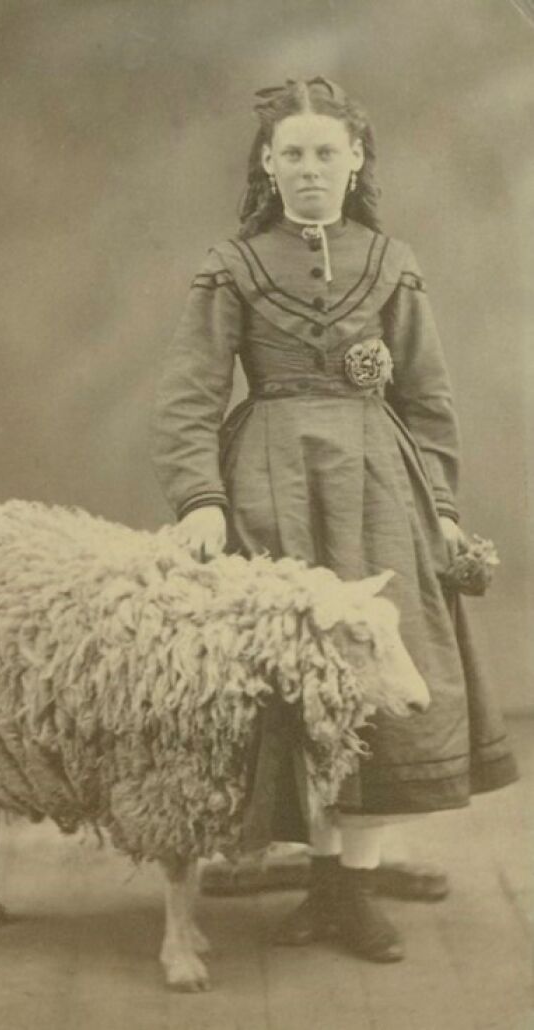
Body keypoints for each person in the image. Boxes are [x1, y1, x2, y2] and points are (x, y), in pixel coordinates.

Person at [150, 75, 518, 963]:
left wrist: (441, 510)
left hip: (380, 484)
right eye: (293, 155)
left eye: (327, 152)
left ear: (355, 161)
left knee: (392, 666)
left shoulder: (391, 259)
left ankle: (350, 882)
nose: (310, 169)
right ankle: (313, 863)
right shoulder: (233, 265)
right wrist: (201, 499)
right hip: (269, 486)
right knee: (287, 671)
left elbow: (427, 398)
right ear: (268, 167)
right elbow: (189, 397)